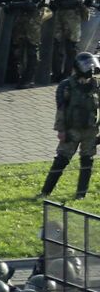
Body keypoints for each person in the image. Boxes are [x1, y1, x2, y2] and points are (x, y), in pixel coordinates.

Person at [43, 52, 99, 198]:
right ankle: (46, 192)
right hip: (71, 129)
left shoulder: (96, 85)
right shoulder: (66, 86)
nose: (90, 70)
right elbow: (61, 109)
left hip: (90, 130)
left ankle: (81, 194)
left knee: (87, 162)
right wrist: (61, 130)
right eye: (87, 66)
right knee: (61, 160)